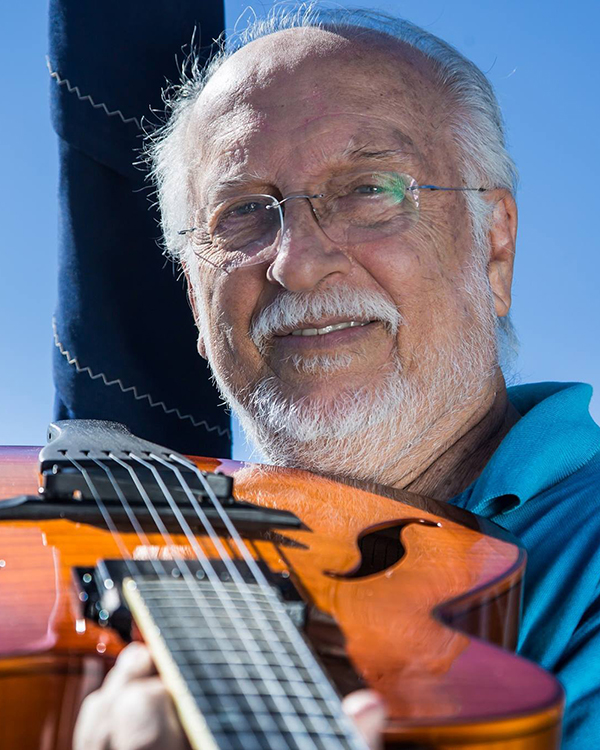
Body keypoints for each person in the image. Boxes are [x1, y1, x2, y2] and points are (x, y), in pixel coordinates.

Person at [73, 7, 600, 749]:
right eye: (242, 213)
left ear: (495, 248)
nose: (296, 260)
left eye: (368, 189)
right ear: (197, 301)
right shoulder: (94, 585)